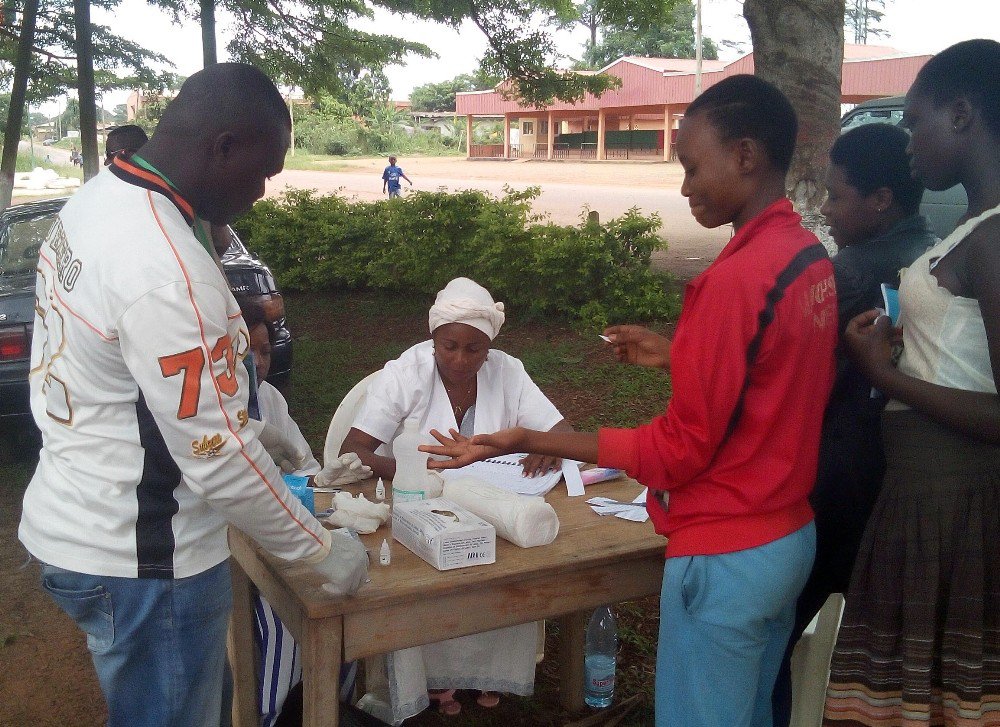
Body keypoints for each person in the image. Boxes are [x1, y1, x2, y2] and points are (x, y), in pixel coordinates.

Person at [422, 75, 839, 727]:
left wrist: (526, 437)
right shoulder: (807, 259)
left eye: (693, 166)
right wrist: (682, 352)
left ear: (746, 156)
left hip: (727, 552)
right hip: (787, 537)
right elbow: (776, 374)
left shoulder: (729, 282)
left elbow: (675, 451)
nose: (685, 186)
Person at [18, 63, 369, 727]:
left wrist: (247, 425)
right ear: (224, 145)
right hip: (148, 557)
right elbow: (217, 456)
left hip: (78, 515)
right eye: (264, 170)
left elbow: (146, 384)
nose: (264, 191)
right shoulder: (165, 265)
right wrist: (320, 549)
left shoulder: (100, 198)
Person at [824, 39, 1000, 726]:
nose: (906, 140)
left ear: (961, 114)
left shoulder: (993, 236)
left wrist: (880, 371)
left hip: (955, 501)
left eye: (915, 120)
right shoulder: (969, 227)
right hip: (923, 497)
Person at [342, 276, 573, 723]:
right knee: (427, 577)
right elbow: (354, 450)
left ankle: (488, 671)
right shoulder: (407, 372)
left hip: (494, 502)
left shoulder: (508, 370)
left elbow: (559, 430)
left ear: (490, 347)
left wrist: (550, 442)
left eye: (475, 349)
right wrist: (417, 469)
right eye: (450, 346)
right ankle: (428, 678)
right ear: (434, 338)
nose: (461, 359)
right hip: (418, 502)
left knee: (507, 561)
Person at [771, 123, 936, 726]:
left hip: (837, 469)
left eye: (837, 197)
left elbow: (783, 365)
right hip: (898, 468)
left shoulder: (852, 271)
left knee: (795, 617)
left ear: (881, 200)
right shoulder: (935, 252)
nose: (826, 211)